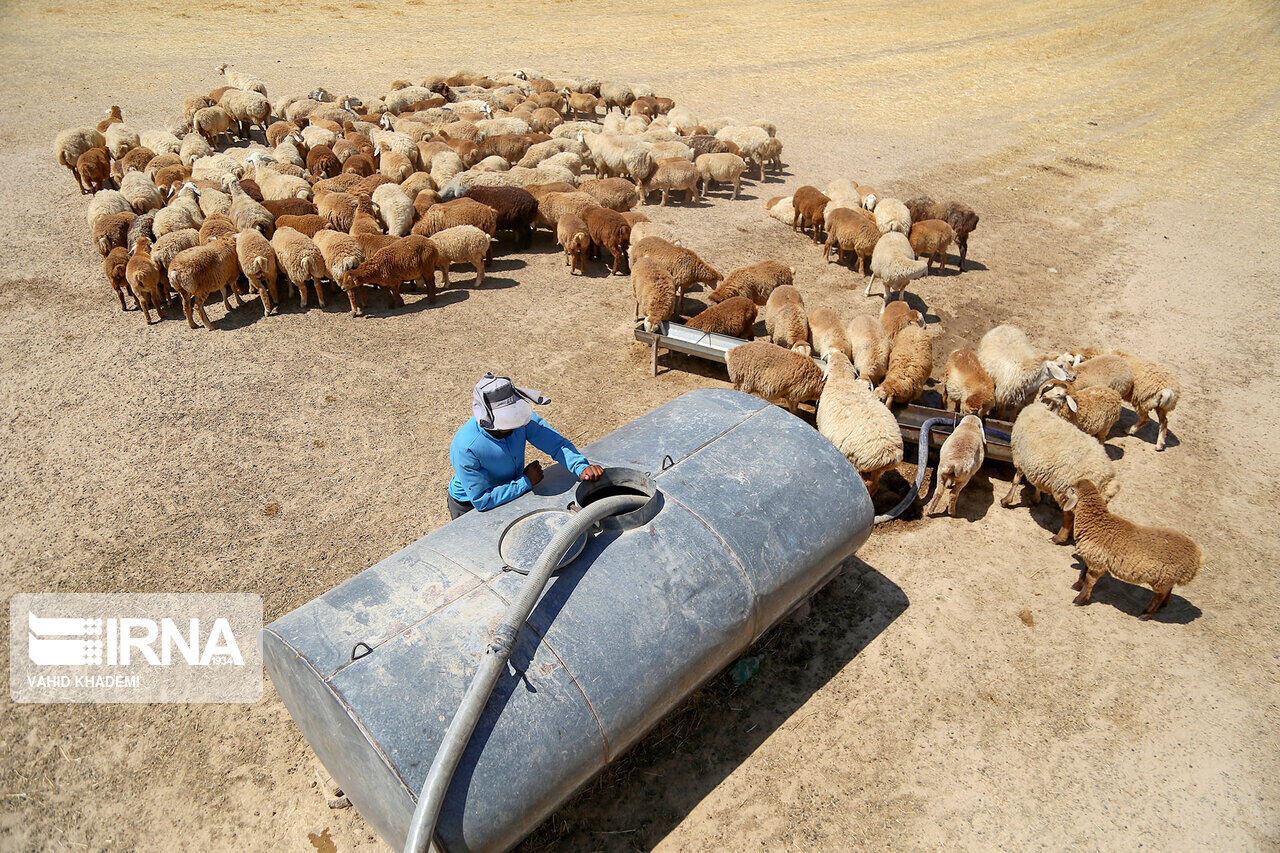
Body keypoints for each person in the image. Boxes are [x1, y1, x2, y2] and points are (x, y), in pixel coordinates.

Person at [447, 373, 604, 519]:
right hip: (469, 505)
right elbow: (482, 500)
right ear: (487, 419)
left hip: (511, 489)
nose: (514, 424)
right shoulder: (466, 447)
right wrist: (526, 481)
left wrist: (581, 467)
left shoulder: (519, 421)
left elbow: (556, 444)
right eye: (507, 421)